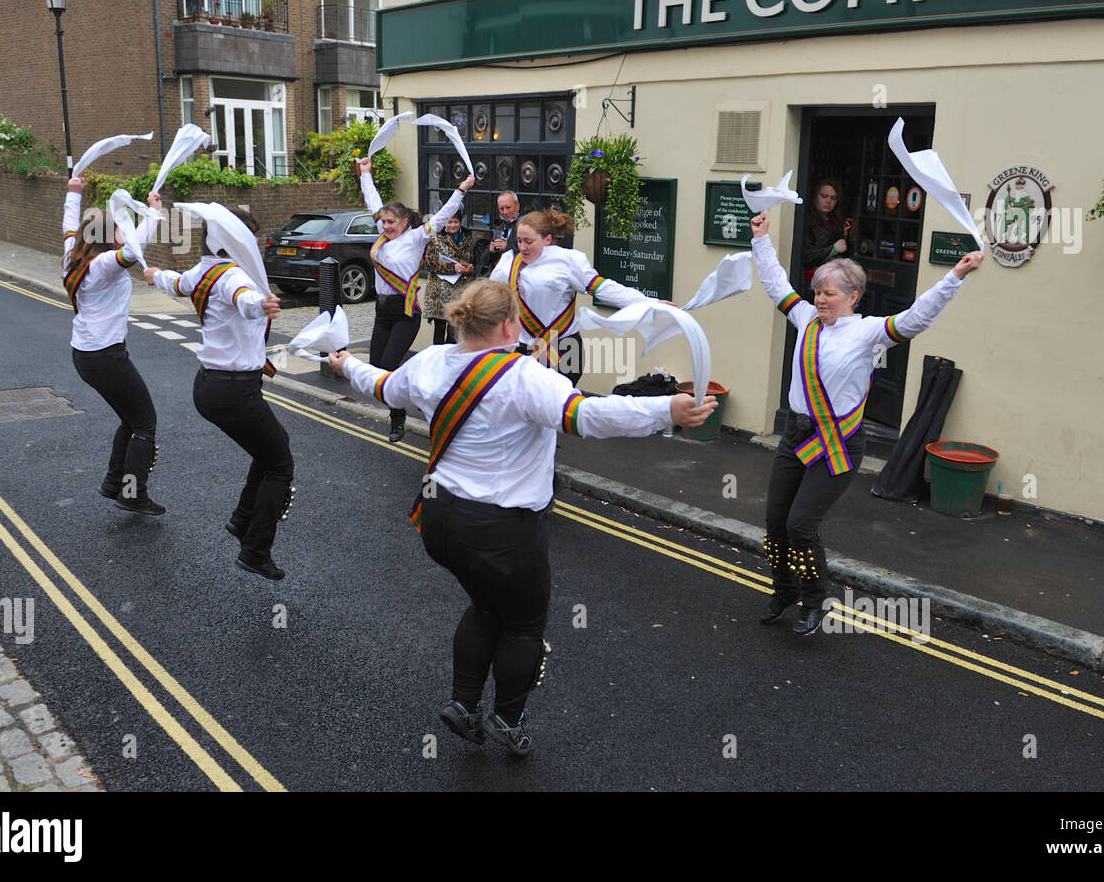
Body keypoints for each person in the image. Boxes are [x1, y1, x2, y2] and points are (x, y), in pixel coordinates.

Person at [328, 280, 716, 756]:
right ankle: (508, 721)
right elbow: (588, 416)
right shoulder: (526, 376)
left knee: (487, 606)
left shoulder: (431, 361)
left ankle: (464, 706)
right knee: (523, 626)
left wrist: (347, 363)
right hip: (500, 532)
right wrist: (666, 410)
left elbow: (383, 388)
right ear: (510, 324)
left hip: (440, 519)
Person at [750, 210, 983, 635]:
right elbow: (774, 283)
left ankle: (815, 598)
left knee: (801, 525)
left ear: (853, 297)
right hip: (797, 436)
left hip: (836, 444)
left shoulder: (869, 332)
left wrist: (955, 277)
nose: (820, 299)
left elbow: (916, 319)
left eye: (830, 294)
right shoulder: (804, 318)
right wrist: (762, 239)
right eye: (817, 291)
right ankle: (783, 589)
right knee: (774, 524)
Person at [144, 207, 291, 581]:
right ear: (232, 240)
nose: (255, 243)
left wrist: (153, 274)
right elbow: (243, 297)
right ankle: (255, 549)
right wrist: (260, 304)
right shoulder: (234, 275)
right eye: (250, 236)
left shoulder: (203, 269)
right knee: (279, 463)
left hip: (209, 386)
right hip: (234, 390)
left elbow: (176, 283)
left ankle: (243, 521)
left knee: (268, 452)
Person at [62, 176, 166, 515]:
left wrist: (73, 193)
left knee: (130, 419)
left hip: (86, 354)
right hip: (106, 356)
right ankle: (132, 493)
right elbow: (135, 251)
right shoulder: (104, 266)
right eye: (120, 228)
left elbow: (68, 226)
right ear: (107, 238)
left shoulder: (72, 257)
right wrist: (152, 215)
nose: (125, 231)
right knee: (145, 422)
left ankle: (114, 482)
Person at [355, 157, 475, 441]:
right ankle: (412, 395)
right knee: (377, 371)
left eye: (391, 221)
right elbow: (373, 199)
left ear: (405, 222)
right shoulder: (381, 234)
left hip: (406, 313)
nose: (385, 225)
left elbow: (443, 215)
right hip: (381, 312)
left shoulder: (417, 237)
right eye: (383, 221)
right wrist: (365, 174)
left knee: (387, 368)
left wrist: (461, 190)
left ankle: (401, 416)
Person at [489, 209, 648, 385]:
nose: (522, 247)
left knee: (558, 407)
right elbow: (491, 300)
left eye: (529, 241)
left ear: (548, 239)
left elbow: (601, 288)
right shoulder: (508, 264)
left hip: (565, 349)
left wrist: (647, 302)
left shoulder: (568, 261)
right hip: (524, 350)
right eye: (519, 241)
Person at [421, 213, 475, 345]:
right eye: (449, 222)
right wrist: (453, 268)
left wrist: (469, 268)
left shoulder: (467, 237)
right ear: (444, 223)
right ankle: (438, 359)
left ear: (460, 222)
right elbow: (429, 264)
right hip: (440, 290)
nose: (452, 225)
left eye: (455, 222)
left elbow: (471, 258)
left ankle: (450, 358)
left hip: (458, 289)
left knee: (454, 329)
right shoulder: (435, 237)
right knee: (440, 328)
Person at [802, 177, 852, 295]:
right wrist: (833, 249)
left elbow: (845, 252)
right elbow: (807, 255)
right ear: (815, 196)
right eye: (824, 196)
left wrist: (844, 234)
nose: (828, 201)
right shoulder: (808, 220)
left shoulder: (836, 221)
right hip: (814, 282)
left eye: (833, 198)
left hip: (835, 280)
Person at [473, 191, 521, 277]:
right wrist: (491, 250)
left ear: (517, 206)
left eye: (508, 207)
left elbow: (529, 253)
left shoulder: (525, 226)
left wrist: (507, 247)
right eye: (501, 209)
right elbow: (486, 260)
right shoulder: (499, 228)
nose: (505, 212)